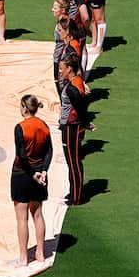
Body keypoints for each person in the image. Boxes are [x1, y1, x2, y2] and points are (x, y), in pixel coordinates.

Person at [11, 94, 52, 266]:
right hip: (39, 174)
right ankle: (40, 252)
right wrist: (43, 171)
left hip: (22, 174)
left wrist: (32, 173)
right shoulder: (44, 126)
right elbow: (49, 151)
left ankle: (23, 257)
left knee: (22, 218)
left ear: (24, 108)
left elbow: (21, 155)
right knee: (37, 213)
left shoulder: (20, 127)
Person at [58, 57, 90, 206]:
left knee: (73, 162)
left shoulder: (72, 88)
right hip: (72, 126)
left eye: (62, 69)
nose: (60, 71)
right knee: (73, 162)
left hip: (72, 127)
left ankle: (76, 197)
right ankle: (74, 192)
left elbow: (80, 106)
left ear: (69, 69)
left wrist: (86, 123)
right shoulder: (76, 82)